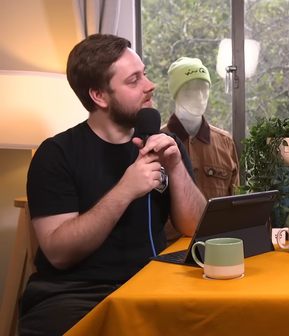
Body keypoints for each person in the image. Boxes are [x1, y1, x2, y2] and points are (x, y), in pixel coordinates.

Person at [18, 34, 206, 336]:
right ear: (99, 96)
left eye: (143, 74)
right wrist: (125, 189)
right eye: (134, 80)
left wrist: (176, 168)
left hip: (152, 283)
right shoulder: (56, 154)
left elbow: (194, 225)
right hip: (74, 294)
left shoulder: (164, 144)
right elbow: (58, 252)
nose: (150, 85)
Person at [161, 57, 240, 245]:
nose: (199, 97)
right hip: (167, 252)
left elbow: (235, 203)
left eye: (204, 89)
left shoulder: (225, 143)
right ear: (176, 94)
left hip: (217, 249)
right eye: (190, 90)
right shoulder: (156, 144)